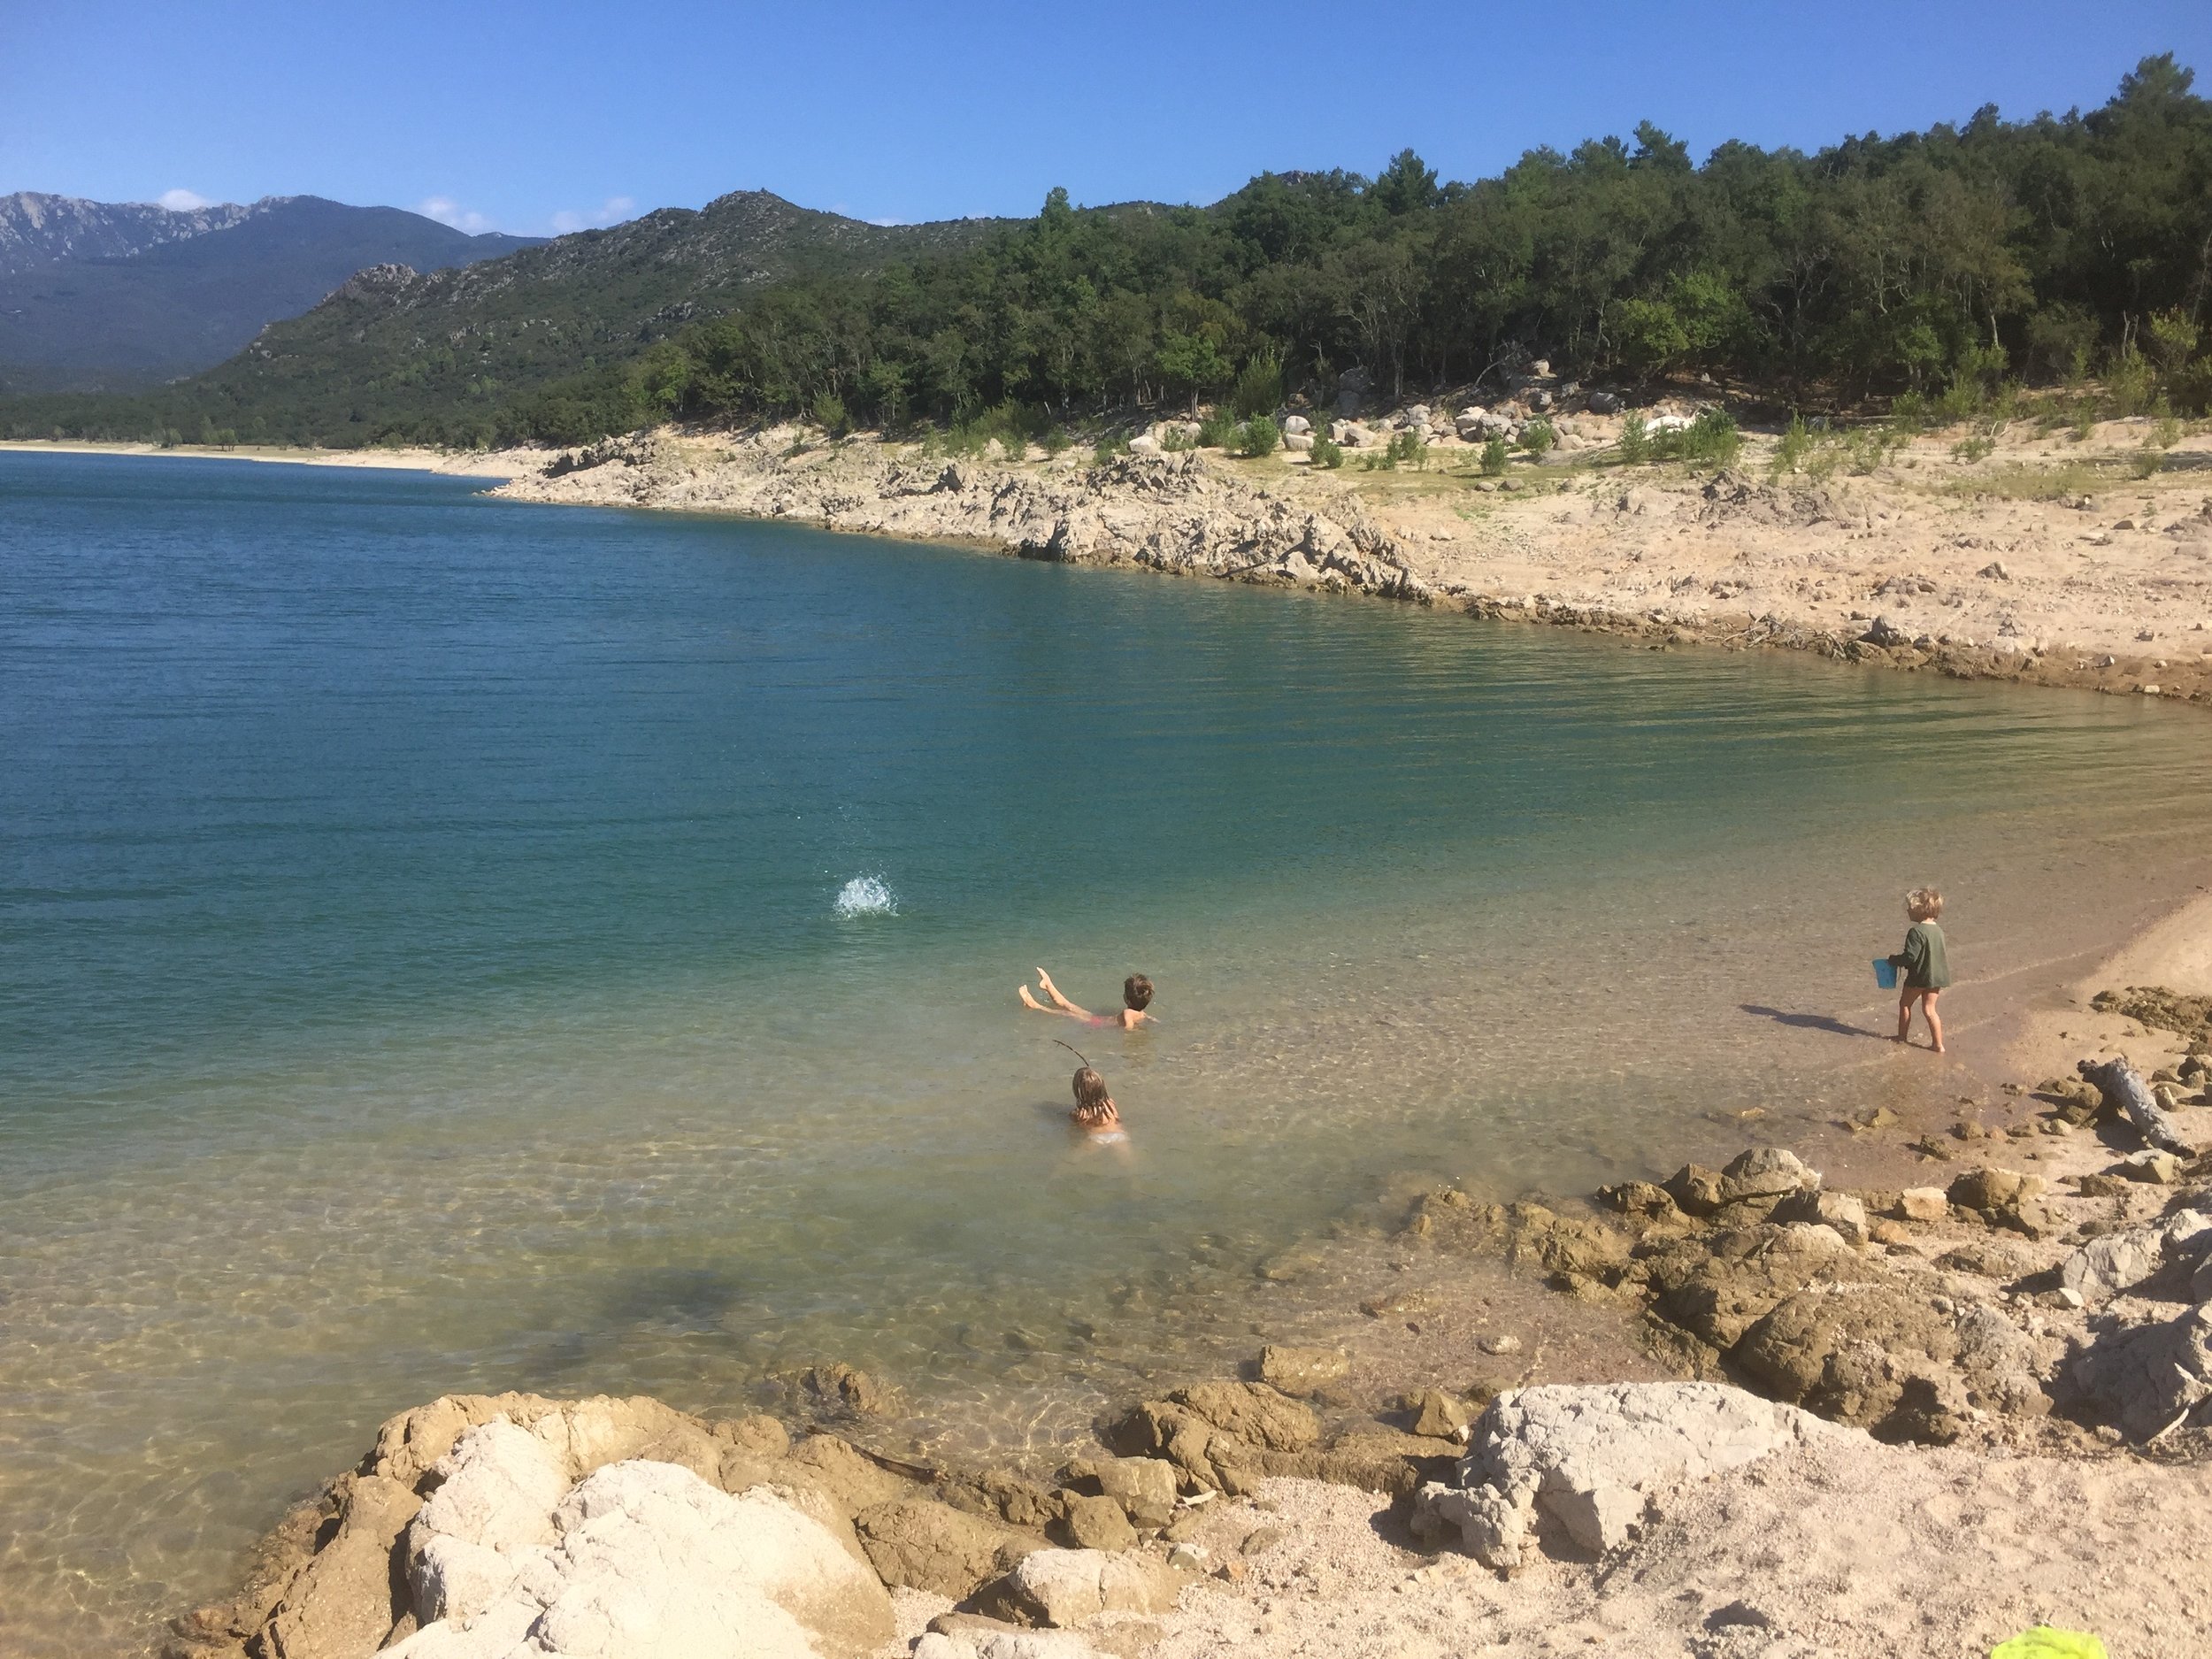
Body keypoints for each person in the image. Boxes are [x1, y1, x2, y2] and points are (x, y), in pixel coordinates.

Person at [1888, 887, 1951, 1052]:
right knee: (1930, 1010)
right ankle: (1938, 1045)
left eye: (1910, 907)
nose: (1907, 910)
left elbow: (1911, 957)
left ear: (1919, 910)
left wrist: (1894, 960)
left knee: (1905, 1004)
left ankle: (1901, 1037)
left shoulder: (1916, 932)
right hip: (1936, 976)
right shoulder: (1938, 930)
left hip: (1919, 977)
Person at [1018, 968, 1154, 1030]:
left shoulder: (1127, 1013)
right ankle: (1048, 986)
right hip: (1095, 1019)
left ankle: (1037, 1006)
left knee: (1068, 1010)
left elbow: (1128, 1028)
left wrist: (1130, 1031)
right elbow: (1151, 1020)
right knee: (1069, 1007)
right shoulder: (1142, 1014)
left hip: (1096, 1023)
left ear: (1127, 1000)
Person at [1068, 1064, 1125, 1142]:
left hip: (1097, 1137)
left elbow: (1076, 1128)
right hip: (1118, 1134)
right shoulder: (1110, 1103)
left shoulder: (1080, 1113)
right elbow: (1117, 1118)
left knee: (1076, 1154)